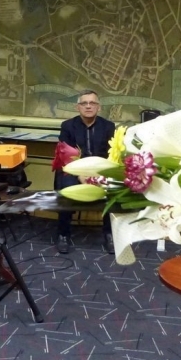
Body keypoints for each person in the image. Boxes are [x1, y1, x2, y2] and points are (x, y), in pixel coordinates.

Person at [54, 90, 115, 255]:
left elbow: (111, 154)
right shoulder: (68, 126)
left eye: (92, 103)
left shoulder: (108, 126)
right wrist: (80, 174)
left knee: (113, 188)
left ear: (98, 107)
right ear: (78, 107)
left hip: (100, 170)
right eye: (84, 103)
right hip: (74, 169)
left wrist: (98, 173)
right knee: (67, 188)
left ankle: (110, 234)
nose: (88, 106)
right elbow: (65, 154)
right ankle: (63, 234)